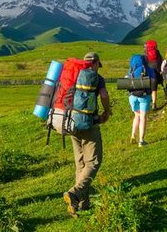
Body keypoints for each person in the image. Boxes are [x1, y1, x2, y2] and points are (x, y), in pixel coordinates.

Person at [63, 52, 111, 218]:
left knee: (80, 163)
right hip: (88, 123)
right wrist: (107, 111)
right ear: (96, 63)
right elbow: (104, 95)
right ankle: (74, 193)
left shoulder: (73, 74)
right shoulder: (97, 77)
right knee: (93, 161)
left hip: (70, 122)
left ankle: (82, 203)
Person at [128, 56, 155, 147]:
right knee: (143, 117)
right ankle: (141, 141)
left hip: (132, 96)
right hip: (144, 96)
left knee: (137, 116)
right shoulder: (148, 69)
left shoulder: (131, 69)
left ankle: (133, 136)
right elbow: (153, 80)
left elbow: (127, 80)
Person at [144, 40, 164, 110]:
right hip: (156, 74)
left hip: (148, 74)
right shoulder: (157, 52)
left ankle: (147, 104)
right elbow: (161, 61)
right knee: (154, 90)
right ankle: (154, 104)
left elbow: (144, 63)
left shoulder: (145, 53)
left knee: (148, 90)